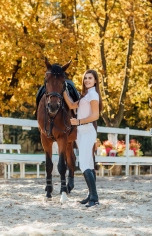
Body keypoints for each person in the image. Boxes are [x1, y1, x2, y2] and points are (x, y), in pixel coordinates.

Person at [63, 69, 103, 207]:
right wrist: (63, 90)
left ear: (95, 80)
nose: (87, 80)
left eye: (90, 78)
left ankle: (95, 198)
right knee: (89, 165)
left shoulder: (93, 95)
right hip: (81, 132)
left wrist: (78, 122)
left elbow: (95, 116)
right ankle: (91, 195)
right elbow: (72, 105)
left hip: (87, 131)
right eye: (85, 78)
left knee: (84, 164)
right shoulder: (85, 95)